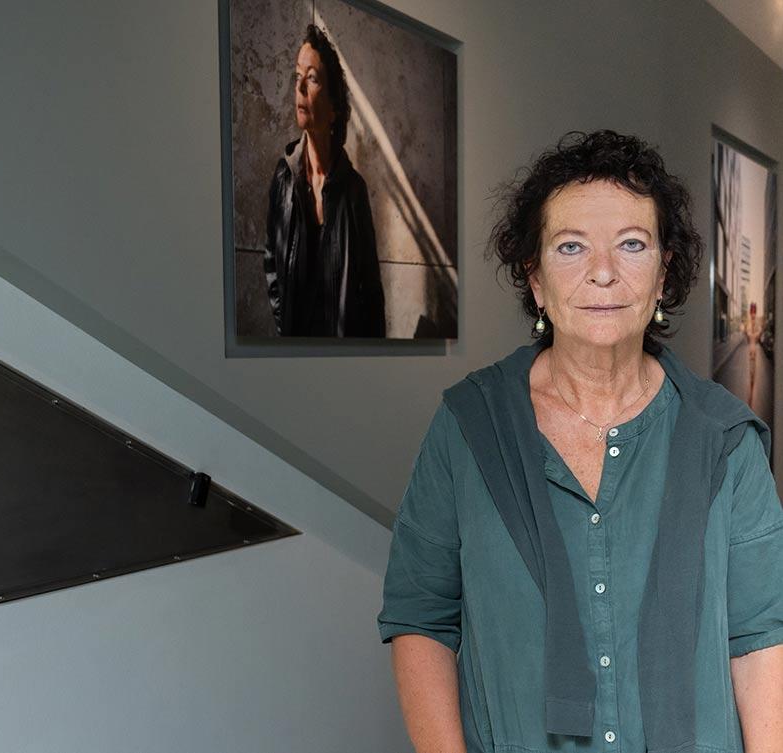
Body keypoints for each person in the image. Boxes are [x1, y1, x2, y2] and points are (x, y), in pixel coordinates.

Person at [378, 130, 783, 752]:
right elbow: (421, 618)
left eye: (632, 244)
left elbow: (761, 640)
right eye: (571, 247)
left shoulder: (724, 442)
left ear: (662, 273)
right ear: (535, 278)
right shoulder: (467, 428)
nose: (603, 272)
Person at [262, 25, 385, 337]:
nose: (300, 87)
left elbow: (370, 292)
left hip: (342, 360)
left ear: (333, 108)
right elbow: (271, 263)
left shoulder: (353, 190)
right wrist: (283, 324)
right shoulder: (284, 176)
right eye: (297, 76)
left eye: (313, 78)